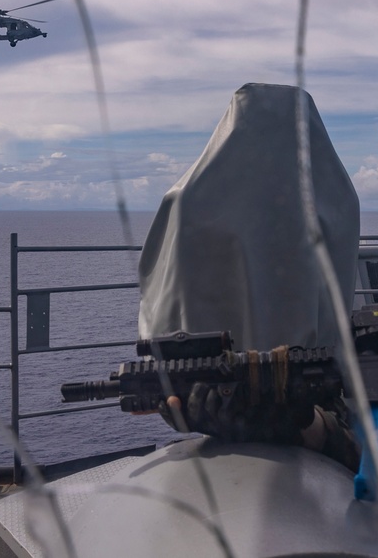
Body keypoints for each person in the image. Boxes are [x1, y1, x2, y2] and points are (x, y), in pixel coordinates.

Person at [137, 82, 361, 468]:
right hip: (317, 389)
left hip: (207, 390)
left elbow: (158, 286)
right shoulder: (339, 198)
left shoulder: (188, 199)